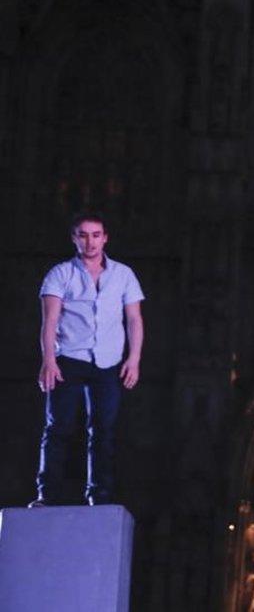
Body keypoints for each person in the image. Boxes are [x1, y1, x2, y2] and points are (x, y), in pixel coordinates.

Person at [32, 213, 145, 506]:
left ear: (105, 237)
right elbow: (50, 320)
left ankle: (99, 495)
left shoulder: (123, 275)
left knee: (103, 432)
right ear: (74, 238)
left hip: (107, 361)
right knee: (58, 428)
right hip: (69, 357)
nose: (90, 241)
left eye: (96, 235)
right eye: (83, 235)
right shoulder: (60, 274)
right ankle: (48, 494)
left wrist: (133, 359)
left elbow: (134, 319)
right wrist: (48, 360)